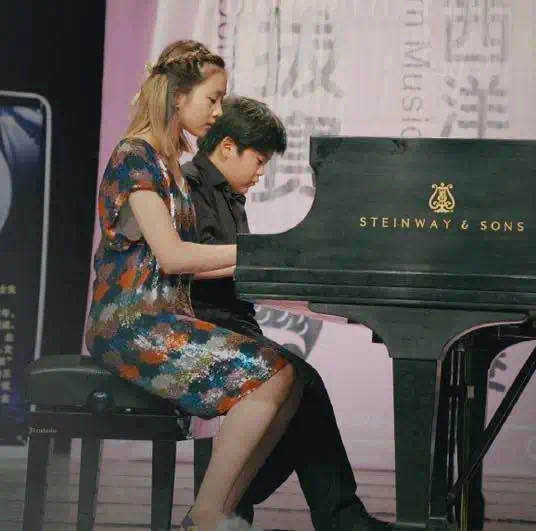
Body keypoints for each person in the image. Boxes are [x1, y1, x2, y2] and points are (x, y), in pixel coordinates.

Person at [85, 40, 305, 531]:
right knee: (273, 375)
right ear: (178, 97)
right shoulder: (134, 157)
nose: (219, 111)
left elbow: (192, 261)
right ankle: (206, 515)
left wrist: (274, 263)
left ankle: (218, 510)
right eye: (213, 99)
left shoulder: (166, 163)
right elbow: (174, 256)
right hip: (131, 324)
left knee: (288, 379)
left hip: (165, 316)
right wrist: (261, 254)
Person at [182, 96, 392, 530]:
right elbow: (194, 264)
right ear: (227, 147)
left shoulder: (227, 195)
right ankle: (327, 516)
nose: (261, 174)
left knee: (303, 387)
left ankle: (229, 505)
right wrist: (272, 261)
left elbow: (236, 269)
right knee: (302, 383)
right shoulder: (189, 187)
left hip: (232, 323)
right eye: (259, 161)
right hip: (202, 327)